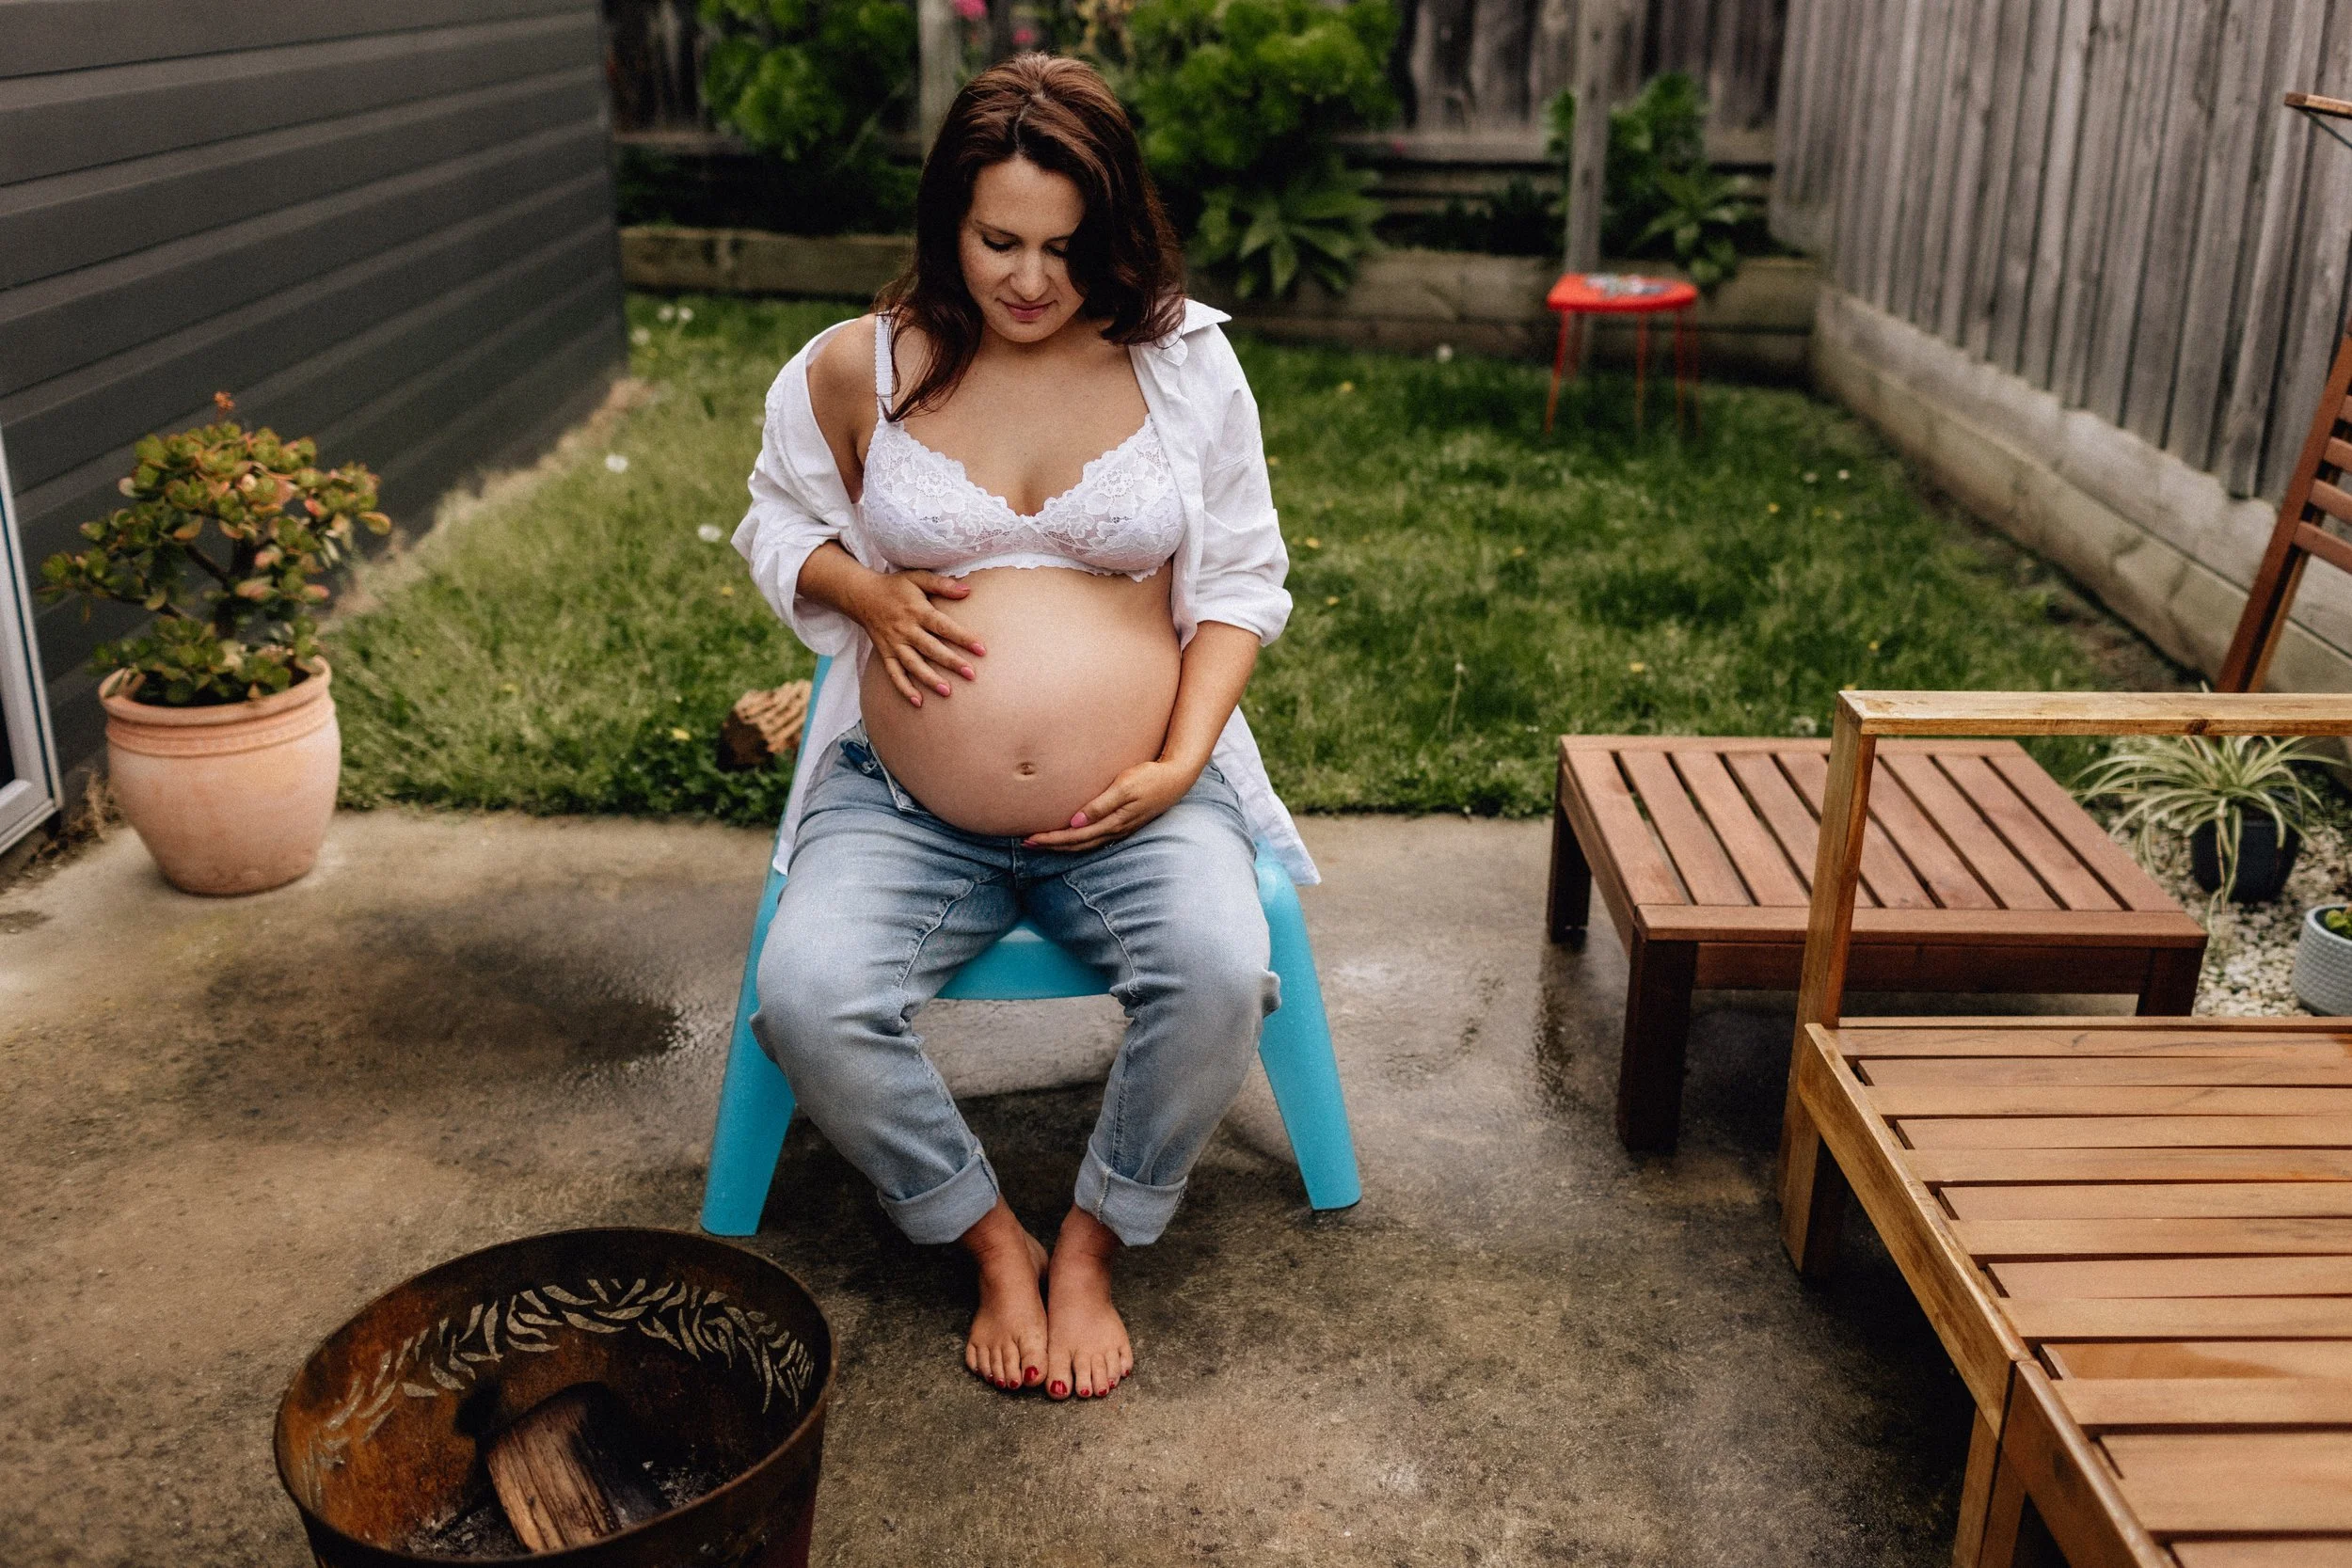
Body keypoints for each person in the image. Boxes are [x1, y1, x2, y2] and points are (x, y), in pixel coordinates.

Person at [731, 53, 1315, 1403]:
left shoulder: (1184, 369)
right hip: (902, 799)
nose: (1032, 280)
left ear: (1114, 234)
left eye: (1067, 246)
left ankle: (1095, 1237)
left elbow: (1237, 584)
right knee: (807, 993)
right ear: (948, 219)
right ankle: (988, 1234)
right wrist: (863, 589)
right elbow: (779, 517)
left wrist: (1178, 761)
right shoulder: (857, 369)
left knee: (1224, 969)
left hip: (1137, 798)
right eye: (999, 240)